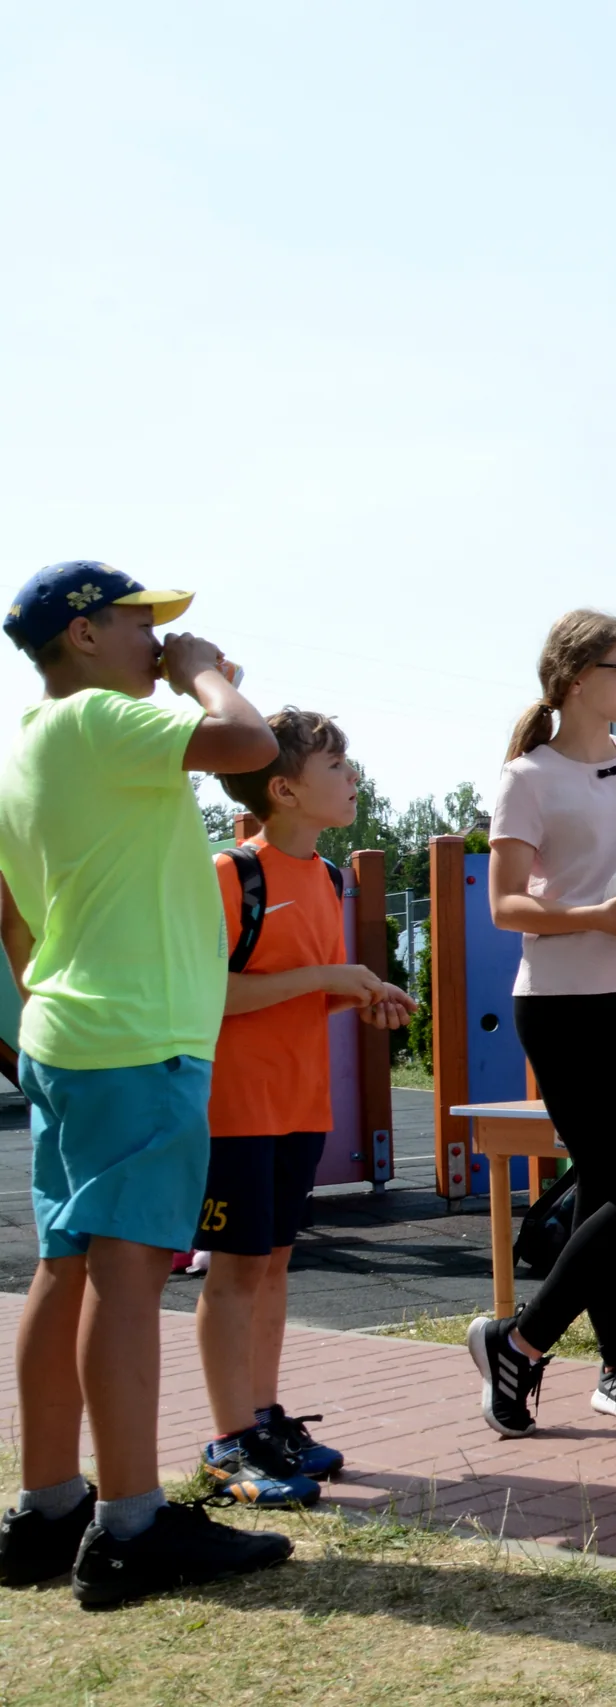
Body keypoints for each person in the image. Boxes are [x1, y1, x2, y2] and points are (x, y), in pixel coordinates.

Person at [0, 562, 294, 1607]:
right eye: (138, 623)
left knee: (65, 1267)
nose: (155, 640)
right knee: (126, 1277)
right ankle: (130, 1527)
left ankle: (47, 1509)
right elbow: (253, 751)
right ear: (80, 636)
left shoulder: (29, 747)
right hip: (138, 1042)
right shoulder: (96, 723)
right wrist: (208, 677)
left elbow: (12, 915)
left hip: (69, 1032)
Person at [467, 612, 616, 1437]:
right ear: (574, 678)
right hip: (566, 1009)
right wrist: (600, 913)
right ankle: (528, 1341)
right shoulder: (527, 777)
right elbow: (506, 904)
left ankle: (591, 1361)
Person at [196, 710, 414, 1504]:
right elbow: (208, 993)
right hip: (235, 1106)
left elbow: (296, 995)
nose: (352, 774)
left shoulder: (327, 877)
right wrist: (328, 979)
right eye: (336, 763)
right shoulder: (231, 872)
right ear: (284, 789)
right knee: (236, 1271)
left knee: (277, 1264)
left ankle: (261, 1418)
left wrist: (359, 991)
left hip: (298, 1101)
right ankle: (229, 1445)